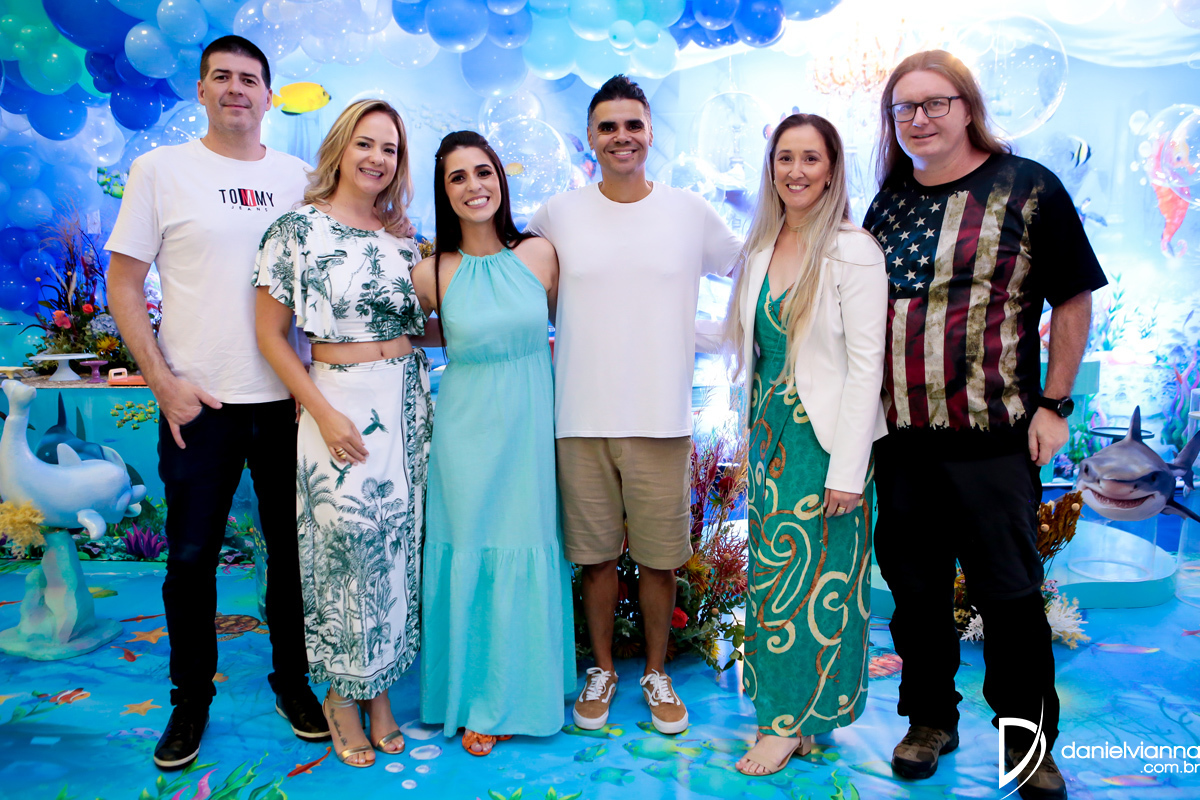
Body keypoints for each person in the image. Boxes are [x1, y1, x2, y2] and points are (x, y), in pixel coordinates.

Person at [864, 50, 1106, 800]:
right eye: (905, 108)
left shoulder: (1028, 187)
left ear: (966, 107)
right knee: (916, 597)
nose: (920, 119)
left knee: (1010, 600)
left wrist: (1055, 405)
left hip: (993, 441)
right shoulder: (887, 203)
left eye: (935, 103)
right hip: (902, 444)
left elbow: (1073, 297)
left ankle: (1027, 750)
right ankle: (929, 720)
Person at [105, 35, 327, 770]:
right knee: (192, 561)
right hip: (199, 405)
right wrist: (163, 382)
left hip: (287, 403)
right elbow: (123, 282)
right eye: (222, 77)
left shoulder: (300, 179)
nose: (237, 89)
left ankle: (293, 684)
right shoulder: (161, 170)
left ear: (269, 96)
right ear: (201, 90)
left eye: (250, 79)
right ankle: (190, 699)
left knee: (292, 557)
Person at [527, 75, 740, 735]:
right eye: (608, 126)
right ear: (590, 137)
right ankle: (601, 669)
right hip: (579, 418)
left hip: (660, 418)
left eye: (633, 125)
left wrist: (715, 335)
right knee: (593, 558)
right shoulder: (557, 214)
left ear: (650, 133)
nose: (621, 137)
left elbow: (753, 271)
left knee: (660, 559)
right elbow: (513, 282)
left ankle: (654, 672)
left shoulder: (689, 212)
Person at [254, 99, 431, 768]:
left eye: (390, 148)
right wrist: (321, 411)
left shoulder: (403, 240)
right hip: (339, 405)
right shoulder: (295, 230)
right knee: (345, 553)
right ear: (339, 147)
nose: (377, 158)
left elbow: (421, 327)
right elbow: (271, 336)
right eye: (365, 142)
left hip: (405, 403)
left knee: (395, 551)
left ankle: (380, 693)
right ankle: (338, 696)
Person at [724, 114, 887, 776]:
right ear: (771, 168)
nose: (795, 170)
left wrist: (848, 470)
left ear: (832, 169)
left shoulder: (854, 250)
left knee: (821, 585)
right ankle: (801, 716)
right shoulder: (762, 246)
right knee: (773, 582)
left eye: (810, 158)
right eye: (784, 157)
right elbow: (752, 347)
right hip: (771, 440)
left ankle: (784, 725)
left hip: (825, 444)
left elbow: (866, 367)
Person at [410, 131, 574, 757]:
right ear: (443, 192)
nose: (474, 186)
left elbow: (572, 327)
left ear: (501, 179)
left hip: (530, 428)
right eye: (458, 177)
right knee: (471, 548)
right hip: (465, 433)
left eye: (483, 172)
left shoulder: (540, 254)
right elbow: (410, 338)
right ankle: (475, 696)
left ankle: (522, 694)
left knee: (526, 542)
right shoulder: (430, 273)